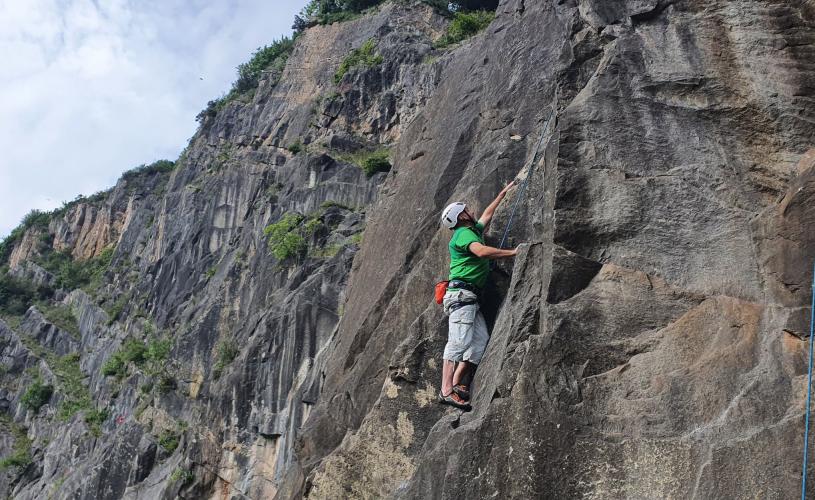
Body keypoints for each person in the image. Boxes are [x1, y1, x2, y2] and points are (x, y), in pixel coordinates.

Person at [438, 183, 519, 410]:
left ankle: (456, 383)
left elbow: (486, 215)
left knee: (479, 341)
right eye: (466, 211)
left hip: (469, 298)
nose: (471, 212)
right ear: (461, 217)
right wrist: (513, 252)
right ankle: (445, 391)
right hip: (462, 296)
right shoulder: (463, 234)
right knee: (458, 342)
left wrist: (502, 194)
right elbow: (482, 252)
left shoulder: (471, 231)